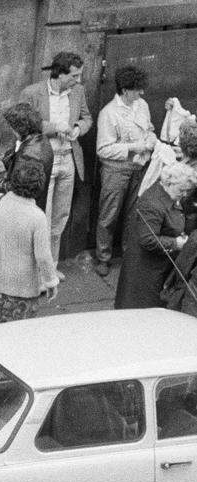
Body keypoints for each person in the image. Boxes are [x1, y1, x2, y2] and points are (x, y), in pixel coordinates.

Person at [21, 51, 92, 268]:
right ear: (59, 74)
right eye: (74, 76)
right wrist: (54, 127)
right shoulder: (32, 93)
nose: (78, 80)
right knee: (42, 216)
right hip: (44, 160)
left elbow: (87, 118)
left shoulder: (78, 91)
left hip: (68, 158)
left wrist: (78, 130)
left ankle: (50, 268)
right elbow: (24, 125)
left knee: (61, 216)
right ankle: (35, 269)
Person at [0, 159, 59, 325]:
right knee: (16, 338)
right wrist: (51, 283)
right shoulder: (37, 217)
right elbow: (43, 256)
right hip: (24, 290)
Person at [94, 66, 158, 279]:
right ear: (125, 90)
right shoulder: (109, 113)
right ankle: (103, 257)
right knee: (109, 214)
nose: (141, 93)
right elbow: (103, 149)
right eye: (137, 89)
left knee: (133, 214)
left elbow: (149, 129)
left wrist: (149, 141)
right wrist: (132, 148)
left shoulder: (142, 106)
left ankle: (129, 255)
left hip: (138, 168)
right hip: (116, 170)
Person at [115, 161, 197, 310]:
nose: (185, 195)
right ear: (170, 183)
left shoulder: (170, 194)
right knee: (142, 309)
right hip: (145, 271)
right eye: (182, 190)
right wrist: (176, 243)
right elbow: (148, 239)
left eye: (187, 191)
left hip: (159, 265)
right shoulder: (152, 203)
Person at [0, 101, 54, 191]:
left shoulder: (28, 154)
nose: (12, 131)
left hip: (24, 203)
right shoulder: (41, 139)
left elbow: (16, 189)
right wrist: (6, 164)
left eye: (12, 127)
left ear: (19, 128)